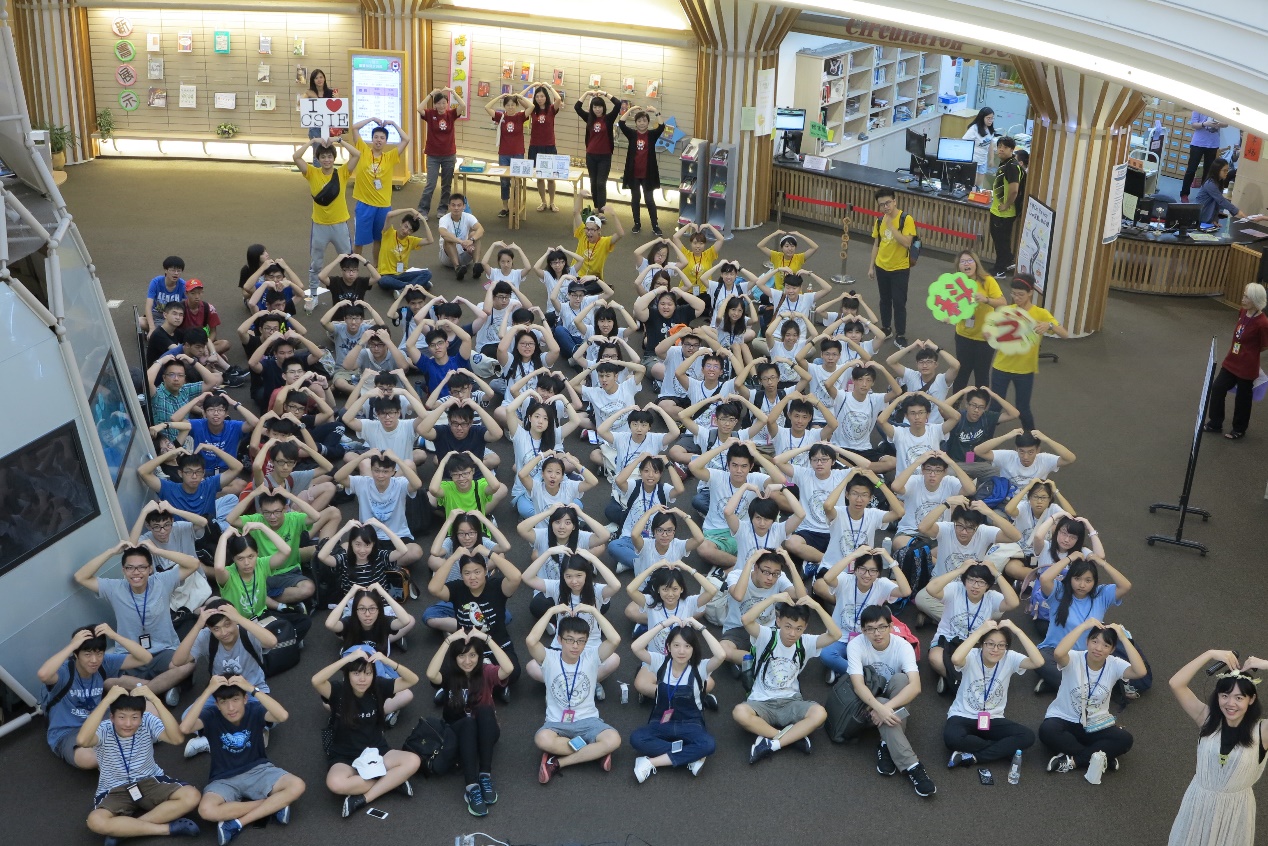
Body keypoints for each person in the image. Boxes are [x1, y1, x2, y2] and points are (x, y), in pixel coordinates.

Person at [178, 676, 305, 844]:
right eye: (223, 702)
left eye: (235, 699)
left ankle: (238, 823)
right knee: (206, 810)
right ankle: (274, 805)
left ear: (245, 699)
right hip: (223, 779)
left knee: (297, 785)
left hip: (259, 770)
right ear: (217, 704)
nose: (231, 708)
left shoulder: (254, 709)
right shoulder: (211, 715)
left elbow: (282, 716)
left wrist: (252, 688)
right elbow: (185, 728)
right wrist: (208, 690)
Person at [73, 541, 200, 705]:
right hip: (129, 655)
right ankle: (163, 687)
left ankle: (146, 690)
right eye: (130, 568)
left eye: (142, 567)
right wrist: (111, 551)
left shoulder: (162, 581)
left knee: (189, 664)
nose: (136, 573)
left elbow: (193, 564)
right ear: (123, 570)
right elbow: (80, 577)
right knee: (106, 681)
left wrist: (156, 550)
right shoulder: (115, 588)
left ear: (150, 569)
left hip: (164, 650)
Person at [1166, 650, 1268, 846]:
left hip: (1235, 812)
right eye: (1225, 695)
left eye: (1239, 698)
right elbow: (1176, 683)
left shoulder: (1262, 731)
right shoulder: (1207, 718)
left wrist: (1265, 664)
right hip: (1198, 803)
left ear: (1251, 699)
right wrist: (1210, 654)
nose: (1231, 703)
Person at [77, 684, 202, 842]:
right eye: (122, 717)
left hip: (149, 781)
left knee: (192, 796)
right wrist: (106, 700)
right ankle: (165, 829)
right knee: (95, 821)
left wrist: (155, 699)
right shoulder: (104, 729)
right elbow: (82, 740)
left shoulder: (147, 721)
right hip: (113, 789)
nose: (128, 723)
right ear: (112, 717)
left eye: (135, 717)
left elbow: (176, 739)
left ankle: (125, 830)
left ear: (142, 717)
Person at [311, 650, 421, 817]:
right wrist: (347, 659)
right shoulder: (337, 691)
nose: (362, 679)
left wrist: (386, 660)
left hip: (377, 751)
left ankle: (364, 798)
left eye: (368, 673)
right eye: (356, 673)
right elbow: (316, 680)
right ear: (347, 674)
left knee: (413, 760)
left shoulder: (379, 686)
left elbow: (413, 679)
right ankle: (392, 782)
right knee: (335, 783)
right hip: (345, 756)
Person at [734, 594, 840, 764]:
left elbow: (835, 634)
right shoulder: (767, 635)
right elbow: (746, 619)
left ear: (805, 627)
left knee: (820, 713)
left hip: (791, 701)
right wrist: (772, 598)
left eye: (799, 628)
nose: (792, 633)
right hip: (761, 702)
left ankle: (772, 743)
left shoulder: (806, 642)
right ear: (778, 621)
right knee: (739, 713)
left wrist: (818, 607)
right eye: (788, 626)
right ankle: (790, 738)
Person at [844, 605, 936, 797]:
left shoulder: (902, 645)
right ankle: (913, 766)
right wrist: (879, 707)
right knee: (883, 699)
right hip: (868, 700)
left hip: (888, 700)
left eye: (881, 627)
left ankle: (886, 744)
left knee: (902, 680)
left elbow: (916, 686)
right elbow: (858, 686)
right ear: (863, 630)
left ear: (891, 626)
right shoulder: (855, 645)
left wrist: (885, 709)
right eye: (870, 629)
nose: (877, 633)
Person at [526, 601, 623, 783]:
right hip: (556, 723)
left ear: (586, 642)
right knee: (542, 739)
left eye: (581, 641)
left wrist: (594, 611)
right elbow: (531, 641)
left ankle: (558, 762)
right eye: (569, 640)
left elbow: (615, 640)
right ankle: (594, 752)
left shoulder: (591, 657)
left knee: (613, 739)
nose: (575, 646)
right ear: (560, 640)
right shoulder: (549, 658)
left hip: (589, 721)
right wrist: (551, 611)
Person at [1039, 620, 1146, 783]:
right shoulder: (1074, 658)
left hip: (1096, 723)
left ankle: (1074, 761)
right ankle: (1100, 757)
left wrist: (1123, 638)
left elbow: (1140, 671)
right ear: (1087, 642)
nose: (1098, 648)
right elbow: (1058, 654)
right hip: (1064, 718)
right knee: (1047, 731)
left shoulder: (1114, 664)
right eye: (1094, 641)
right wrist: (1083, 626)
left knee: (1125, 739)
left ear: (1112, 649)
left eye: (1106, 645)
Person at [38, 624, 153, 769]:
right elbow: (43, 674)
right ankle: (126, 746)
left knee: (149, 707)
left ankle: (118, 749)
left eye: (99, 653)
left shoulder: (104, 663)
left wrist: (114, 635)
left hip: (98, 719)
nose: (94, 660)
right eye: (87, 654)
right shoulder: (65, 671)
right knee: (88, 759)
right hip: (69, 731)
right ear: (76, 654)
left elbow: (145, 658)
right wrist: (72, 645)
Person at [425, 630, 514, 816]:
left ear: (479, 656)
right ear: (455, 657)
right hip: (457, 733)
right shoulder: (450, 674)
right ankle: (471, 786)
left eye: (472, 655)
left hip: (485, 733)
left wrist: (486, 638)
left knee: (485, 710)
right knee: (467, 723)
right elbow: (431, 674)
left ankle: (485, 775)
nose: (467, 661)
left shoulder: (486, 672)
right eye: (462, 656)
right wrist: (448, 641)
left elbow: (508, 669)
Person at [629, 617, 725, 782]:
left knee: (708, 744)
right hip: (662, 721)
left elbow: (721, 654)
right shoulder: (660, 662)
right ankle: (690, 755)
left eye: (687, 646)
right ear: (668, 647)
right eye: (676, 645)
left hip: (690, 723)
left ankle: (652, 762)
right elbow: (635, 647)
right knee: (637, 739)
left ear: (693, 649)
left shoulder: (701, 667)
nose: (682, 651)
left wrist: (700, 627)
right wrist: (663, 624)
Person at [943, 619, 1043, 768]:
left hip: (992, 718)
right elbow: (956, 659)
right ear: (982, 644)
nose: (995, 649)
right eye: (990, 644)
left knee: (1027, 736)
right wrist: (979, 631)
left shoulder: (1010, 657)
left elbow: (1038, 662)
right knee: (952, 739)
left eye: (1001, 645)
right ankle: (1002, 748)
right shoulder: (972, 655)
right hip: (963, 715)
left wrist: (1017, 630)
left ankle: (974, 757)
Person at [815, 547, 910, 684]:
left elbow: (906, 591)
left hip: (867, 638)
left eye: (873, 571)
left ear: (878, 573)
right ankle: (866, 677)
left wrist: (890, 560)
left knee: (879, 658)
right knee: (826, 654)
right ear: (855, 569)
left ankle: (842, 671)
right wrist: (853, 554)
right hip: (839, 637)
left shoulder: (882, 584)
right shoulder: (846, 580)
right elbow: (827, 577)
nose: (867, 575)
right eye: (863, 569)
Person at [923, 561, 1020, 693]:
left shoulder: (991, 597)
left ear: (988, 585)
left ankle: (952, 681)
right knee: (935, 659)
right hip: (947, 639)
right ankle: (965, 683)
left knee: (993, 660)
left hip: (976, 643)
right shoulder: (955, 589)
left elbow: (1014, 603)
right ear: (964, 581)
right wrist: (959, 570)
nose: (975, 586)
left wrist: (997, 573)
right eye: (971, 580)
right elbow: (931, 588)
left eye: (981, 582)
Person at [987, 274, 1069, 431]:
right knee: (995, 407)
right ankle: (983, 441)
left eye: (1020, 294)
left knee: (1023, 408)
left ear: (1030, 292)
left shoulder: (1040, 314)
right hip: (1001, 367)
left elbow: (1065, 334)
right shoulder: (1006, 311)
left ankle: (1032, 440)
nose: (1016, 298)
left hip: (1025, 371)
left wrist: (1049, 325)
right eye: (1013, 294)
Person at [291, 136, 359, 302]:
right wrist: (312, 141)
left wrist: (339, 140)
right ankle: (313, 294)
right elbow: (296, 157)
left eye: (329, 156)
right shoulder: (311, 173)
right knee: (316, 262)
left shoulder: (342, 173)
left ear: (334, 158)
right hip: (319, 226)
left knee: (348, 260)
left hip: (340, 225)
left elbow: (357, 154)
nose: (327, 160)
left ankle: (350, 291)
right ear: (318, 159)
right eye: (323, 157)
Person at [1204, 283, 1268, 440]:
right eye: (1244, 295)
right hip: (1231, 361)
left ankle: (1239, 429)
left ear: (1255, 300)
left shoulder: (1262, 323)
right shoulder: (1242, 312)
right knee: (1217, 388)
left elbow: (1264, 345)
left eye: (1246, 297)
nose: (1243, 299)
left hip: (1247, 367)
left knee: (1243, 399)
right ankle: (1215, 423)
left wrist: (1249, 352)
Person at [348, 117, 410, 265]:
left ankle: (376, 267)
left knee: (379, 239)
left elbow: (406, 139)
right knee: (359, 241)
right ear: (372, 139)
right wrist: (372, 119)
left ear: (386, 141)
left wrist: (393, 123)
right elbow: (354, 128)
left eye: (382, 138)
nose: (379, 140)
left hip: (383, 206)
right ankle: (353, 267)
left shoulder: (390, 157)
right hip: (364, 204)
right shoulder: (363, 150)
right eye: (376, 137)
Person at [944, 250, 1007, 391]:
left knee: (982, 376)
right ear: (958, 266)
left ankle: (981, 403)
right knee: (962, 372)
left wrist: (986, 300)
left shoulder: (987, 280)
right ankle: (956, 402)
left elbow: (1003, 302)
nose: (966, 264)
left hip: (985, 337)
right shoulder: (955, 283)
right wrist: (948, 316)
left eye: (969, 260)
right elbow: (949, 306)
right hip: (963, 336)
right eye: (963, 262)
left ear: (976, 263)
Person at [868, 188, 918, 346]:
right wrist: (871, 266)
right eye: (881, 205)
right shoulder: (879, 221)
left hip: (900, 269)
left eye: (888, 203)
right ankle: (886, 328)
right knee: (884, 300)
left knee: (899, 302)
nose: (885, 207)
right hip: (881, 266)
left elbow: (906, 243)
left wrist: (891, 226)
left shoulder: (906, 219)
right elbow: (877, 244)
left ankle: (900, 334)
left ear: (895, 201)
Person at [416, 87, 466, 217]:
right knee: (430, 184)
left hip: (449, 155)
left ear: (447, 104)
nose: (442, 106)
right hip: (433, 155)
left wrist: (453, 92)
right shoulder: (430, 114)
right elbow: (419, 108)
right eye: (439, 103)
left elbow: (463, 105)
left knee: (446, 185)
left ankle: (442, 209)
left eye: (444, 103)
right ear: (435, 104)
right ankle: (423, 210)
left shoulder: (451, 114)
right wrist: (430, 94)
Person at [618, 105, 667, 235]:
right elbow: (621, 123)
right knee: (635, 198)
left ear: (648, 122)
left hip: (648, 174)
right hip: (633, 173)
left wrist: (656, 111)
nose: (642, 123)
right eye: (639, 121)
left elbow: (661, 126)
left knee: (649, 200)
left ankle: (655, 225)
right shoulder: (632, 134)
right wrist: (630, 110)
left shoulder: (651, 135)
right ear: (635, 123)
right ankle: (637, 224)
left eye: (644, 121)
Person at [484, 93, 530, 218]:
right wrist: (499, 97)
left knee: (517, 181)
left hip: (518, 153)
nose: (510, 107)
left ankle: (515, 206)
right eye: (508, 105)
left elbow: (531, 107)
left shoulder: (520, 116)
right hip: (504, 154)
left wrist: (519, 97)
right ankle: (505, 207)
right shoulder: (501, 116)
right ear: (504, 106)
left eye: (513, 105)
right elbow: (487, 107)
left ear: (516, 106)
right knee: (504, 182)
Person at [574, 90, 621, 209]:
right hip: (591, 156)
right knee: (593, 183)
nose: (597, 109)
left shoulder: (608, 119)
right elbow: (577, 107)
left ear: (603, 107)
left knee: (601, 183)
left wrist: (605, 93)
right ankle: (596, 207)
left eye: (599, 107)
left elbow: (618, 104)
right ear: (592, 108)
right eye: (595, 107)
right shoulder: (589, 118)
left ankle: (601, 211)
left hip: (605, 156)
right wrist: (587, 93)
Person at [374, 209, 435, 293]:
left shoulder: (411, 240)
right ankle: (416, 285)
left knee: (427, 273)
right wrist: (410, 209)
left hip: (402, 275)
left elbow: (430, 240)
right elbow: (389, 215)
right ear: (401, 223)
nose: (406, 231)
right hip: (386, 275)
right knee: (383, 280)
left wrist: (424, 221)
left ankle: (404, 288)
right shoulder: (388, 233)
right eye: (405, 226)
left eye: (410, 230)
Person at [525, 84, 563, 211]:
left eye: (542, 96)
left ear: (546, 97)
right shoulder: (532, 109)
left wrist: (549, 86)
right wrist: (531, 86)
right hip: (535, 146)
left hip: (549, 146)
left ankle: (552, 202)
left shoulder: (551, 109)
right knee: (540, 177)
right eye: (537, 96)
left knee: (551, 178)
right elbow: (519, 98)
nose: (539, 99)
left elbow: (558, 99)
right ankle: (543, 202)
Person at [988, 136, 1023, 276]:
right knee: (999, 240)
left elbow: (1014, 190)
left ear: (1012, 150)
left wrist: (1006, 205)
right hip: (997, 210)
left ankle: (1000, 270)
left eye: (1005, 147)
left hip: (1004, 213)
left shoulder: (1012, 167)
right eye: (999, 146)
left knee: (1001, 242)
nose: (1001, 149)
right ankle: (1007, 262)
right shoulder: (1004, 163)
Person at [572, 190, 625, 278]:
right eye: (587, 229)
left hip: (593, 278)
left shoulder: (605, 242)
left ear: (599, 231)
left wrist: (614, 215)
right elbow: (576, 212)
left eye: (592, 230)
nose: (589, 232)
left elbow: (620, 234)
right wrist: (580, 196)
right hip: (575, 275)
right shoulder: (583, 234)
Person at [1179, 112, 1227, 203]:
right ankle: (1184, 194)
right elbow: (1193, 124)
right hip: (1198, 143)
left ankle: (1204, 195)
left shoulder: (1220, 109)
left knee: (1208, 172)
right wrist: (1205, 124)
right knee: (1191, 170)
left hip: (1213, 144)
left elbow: (1226, 123)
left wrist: (1219, 124)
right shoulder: (1198, 109)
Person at [438, 193, 485, 281]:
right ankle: (457, 268)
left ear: (464, 206)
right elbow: (443, 233)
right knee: (448, 239)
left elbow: (481, 229)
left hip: (464, 254)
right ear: (449, 206)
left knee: (474, 234)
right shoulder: (444, 219)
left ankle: (476, 265)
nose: (456, 208)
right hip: (447, 257)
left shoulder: (468, 217)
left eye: (459, 205)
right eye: (453, 205)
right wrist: (461, 242)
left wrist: (471, 240)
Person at [1194, 157, 1241, 226]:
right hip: (1200, 217)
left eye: (1227, 170)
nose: (1226, 173)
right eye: (1224, 170)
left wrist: (1215, 219)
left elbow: (1216, 204)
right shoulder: (1210, 184)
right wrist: (1237, 211)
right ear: (1217, 170)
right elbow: (1221, 201)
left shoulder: (1219, 182)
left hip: (1208, 217)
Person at [961, 106, 997, 187]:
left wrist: (991, 159)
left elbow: (990, 144)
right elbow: (964, 143)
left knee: (979, 185)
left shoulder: (990, 129)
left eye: (992, 118)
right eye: (988, 118)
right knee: (972, 184)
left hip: (983, 160)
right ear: (982, 117)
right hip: (973, 160)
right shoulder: (974, 129)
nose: (990, 120)